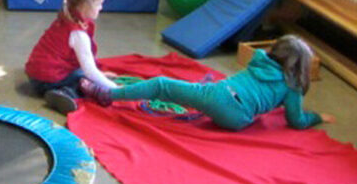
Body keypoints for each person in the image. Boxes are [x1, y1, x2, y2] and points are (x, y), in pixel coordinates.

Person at [92, 35, 335, 131]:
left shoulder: (258, 61)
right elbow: (297, 120)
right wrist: (316, 117)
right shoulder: (291, 86)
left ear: (273, 52)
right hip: (236, 120)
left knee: (161, 85)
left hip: (215, 95)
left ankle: (109, 95)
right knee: (171, 88)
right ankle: (109, 94)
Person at [25, 0, 118, 115]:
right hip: (47, 81)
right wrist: (116, 89)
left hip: (34, 75)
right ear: (84, 6)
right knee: (86, 81)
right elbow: (89, 71)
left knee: (83, 73)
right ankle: (65, 93)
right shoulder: (78, 33)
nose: (101, 7)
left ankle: (60, 90)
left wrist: (101, 75)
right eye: (98, 4)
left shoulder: (66, 17)